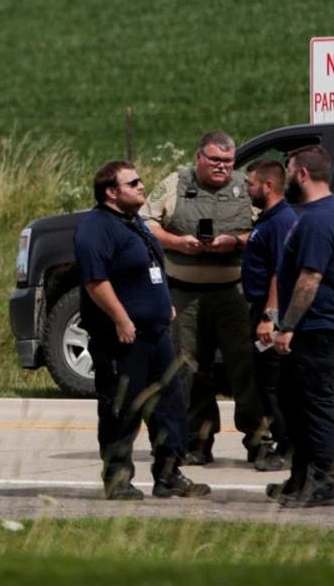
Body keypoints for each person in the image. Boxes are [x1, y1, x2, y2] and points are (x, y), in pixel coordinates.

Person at [74, 159, 210, 500]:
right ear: (111, 192)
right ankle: (118, 479)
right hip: (122, 337)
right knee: (121, 409)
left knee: (169, 406)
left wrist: (164, 304)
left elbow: (148, 267)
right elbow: (95, 281)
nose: (141, 186)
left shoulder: (134, 223)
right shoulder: (95, 227)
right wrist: (121, 319)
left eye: (139, 181)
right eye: (133, 183)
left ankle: (168, 475)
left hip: (156, 333)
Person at [140, 131, 265, 465]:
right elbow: (145, 222)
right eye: (215, 160)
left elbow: (269, 226)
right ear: (198, 158)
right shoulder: (175, 184)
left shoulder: (245, 186)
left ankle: (258, 442)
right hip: (184, 294)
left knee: (245, 368)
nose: (222, 167)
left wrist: (236, 241)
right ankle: (198, 441)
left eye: (227, 161)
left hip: (234, 294)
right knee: (190, 369)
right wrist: (177, 243)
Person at [269, 144, 334, 508]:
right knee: (296, 403)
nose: (285, 178)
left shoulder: (319, 219)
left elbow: (310, 278)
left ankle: (322, 485)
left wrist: (287, 324)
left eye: (288, 170)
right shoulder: (329, 210)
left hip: (319, 327)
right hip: (319, 324)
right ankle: (300, 479)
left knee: (316, 405)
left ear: (302, 174)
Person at [241, 160, 297, 472]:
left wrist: (269, 318)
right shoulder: (268, 218)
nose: (247, 189)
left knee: (274, 383)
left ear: (268, 186)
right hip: (260, 308)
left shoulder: (280, 222)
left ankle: (287, 446)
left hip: (269, 311)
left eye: (250, 184)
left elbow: (280, 272)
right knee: (265, 381)